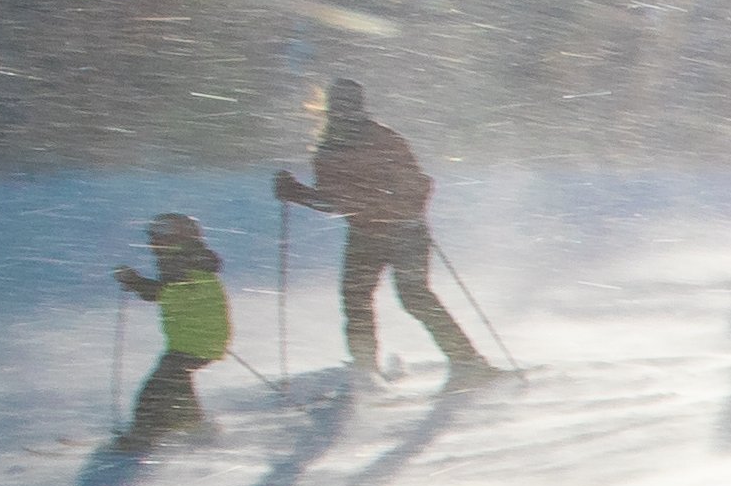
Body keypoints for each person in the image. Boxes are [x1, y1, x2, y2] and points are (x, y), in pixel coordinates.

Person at [273, 77, 493, 380]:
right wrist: (298, 193)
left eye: (347, 105)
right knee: (370, 299)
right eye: (340, 106)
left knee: (401, 297)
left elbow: (410, 186)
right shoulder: (337, 148)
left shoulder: (372, 141)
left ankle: (463, 362)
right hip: (381, 232)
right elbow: (338, 201)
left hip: (396, 232)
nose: (343, 112)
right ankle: (369, 370)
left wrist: (300, 194)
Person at [110, 214, 228, 441]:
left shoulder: (182, 260)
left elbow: (163, 292)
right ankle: (192, 425)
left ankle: (143, 434)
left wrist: (134, 281)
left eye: (160, 236)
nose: (154, 243)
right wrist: (136, 282)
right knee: (176, 381)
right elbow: (171, 292)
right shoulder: (188, 259)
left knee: (157, 388)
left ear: (178, 236)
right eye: (153, 237)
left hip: (195, 341)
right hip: (198, 339)